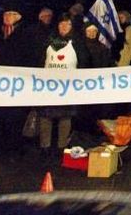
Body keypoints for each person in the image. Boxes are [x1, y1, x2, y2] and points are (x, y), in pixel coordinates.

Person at [37, 13, 91, 157]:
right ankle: (45, 146)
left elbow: (84, 62)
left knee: (65, 116)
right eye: (61, 24)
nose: (64, 27)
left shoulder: (78, 42)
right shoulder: (48, 41)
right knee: (45, 116)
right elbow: (39, 61)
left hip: (68, 86)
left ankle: (62, 146)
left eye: (67, 24)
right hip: (47, 86)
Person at [0, 3, 39, 155]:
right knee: (0, 114)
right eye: (5, 14)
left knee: (16, 115)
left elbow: (31, 57)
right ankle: (0, 145)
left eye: (11, 14)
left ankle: (14, 147)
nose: (7, 17)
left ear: (19, 17)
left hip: (18, 81)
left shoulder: (27, 33)